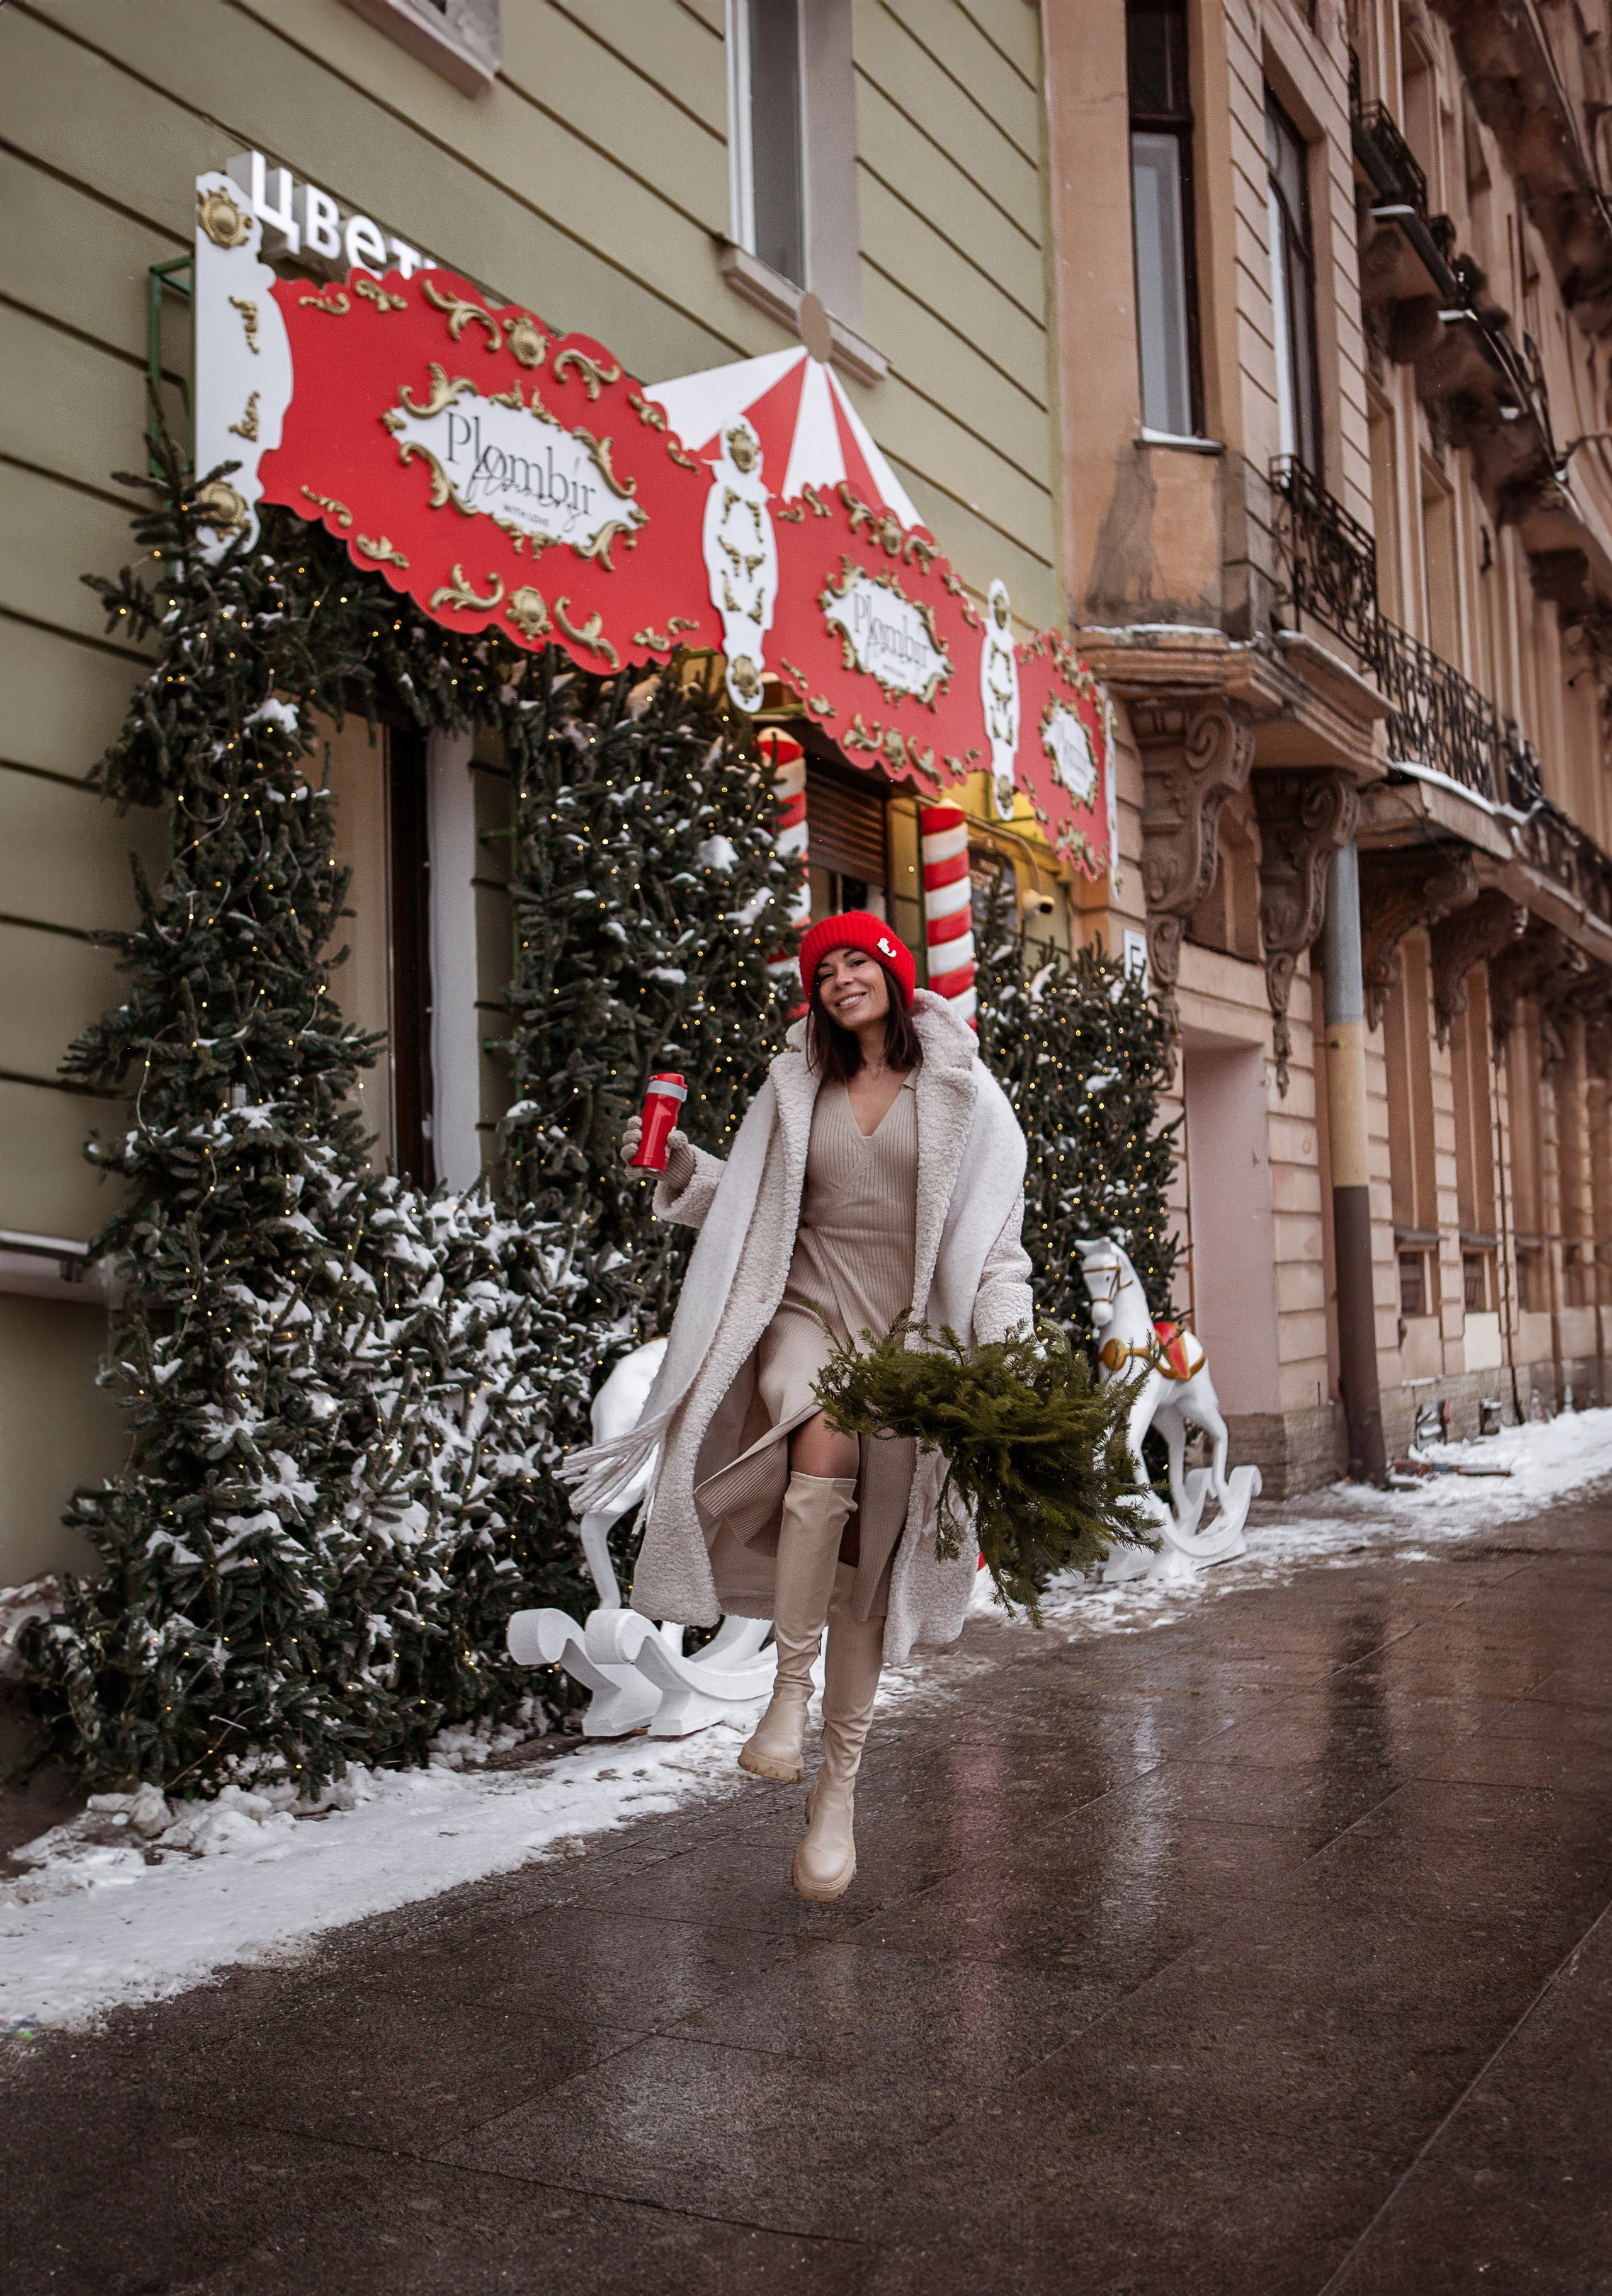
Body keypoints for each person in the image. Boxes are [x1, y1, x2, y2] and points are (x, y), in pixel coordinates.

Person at [565, 912, 1033, 1903]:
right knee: (826, 1415)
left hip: (904, 1345)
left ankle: (839, 1793)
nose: (842, 980)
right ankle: (786, 1698)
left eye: (861, 962)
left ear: (897, 977)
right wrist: (686, 1174)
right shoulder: (797, 1087)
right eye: (827, 970)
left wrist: (999, 1354)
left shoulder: (966, 1097)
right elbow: (760, 1206)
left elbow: (995, 1249)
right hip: (804, 1313)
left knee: (867, 1574)